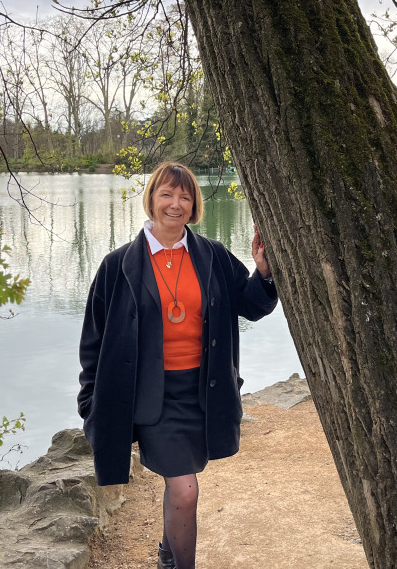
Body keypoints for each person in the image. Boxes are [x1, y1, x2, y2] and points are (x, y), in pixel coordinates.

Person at [78, 162, 278, 569]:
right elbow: (94, 341)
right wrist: (90, 402)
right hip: (152, 398)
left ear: (195, 205)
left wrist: (263, 272)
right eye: (167, 194)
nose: (176, 204)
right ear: (152, 198)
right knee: (185, 489)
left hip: (202, 392)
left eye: (185, 197)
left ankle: (168, 554)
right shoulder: (117, 266)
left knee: (180, 482)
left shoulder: (213, 256)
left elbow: (251, 305)